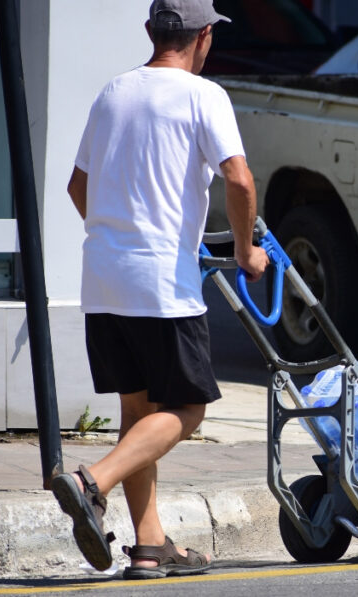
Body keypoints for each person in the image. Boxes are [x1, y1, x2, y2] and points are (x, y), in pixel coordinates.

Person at [53, 0, 268, 580]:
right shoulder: (205, 96)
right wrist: (246, 252)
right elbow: (239, 177)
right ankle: (90, 482)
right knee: (188, 408)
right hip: (160, 286)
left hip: (103, 277)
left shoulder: (113, 92)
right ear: (204, 38)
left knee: (136, 409)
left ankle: (151, 546)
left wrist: (117, 236)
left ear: (151, 32)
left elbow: (79, 185)